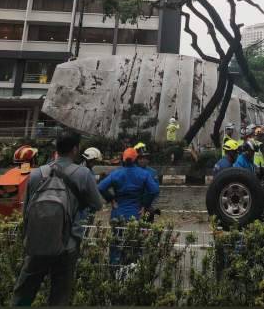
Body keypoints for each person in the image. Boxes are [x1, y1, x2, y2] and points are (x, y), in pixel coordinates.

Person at [11, 130, 104, 307]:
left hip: (37, 241)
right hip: (67, 243)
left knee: (24, 292)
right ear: (75, 149)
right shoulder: (83, 174)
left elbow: (27, 210)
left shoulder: (37, 173)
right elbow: (97, 205)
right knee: (59, 294)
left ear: (56, 148)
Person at [97, 148, 160, 222]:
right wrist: (145, 205)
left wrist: (112, 200)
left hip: (118, 213)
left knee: (117, 232)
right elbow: (154, 191)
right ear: (135, 159)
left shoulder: (115, 173)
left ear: (123, 159)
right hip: (137, 213)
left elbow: (101, 187)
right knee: (134, 232)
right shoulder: (144, 174)